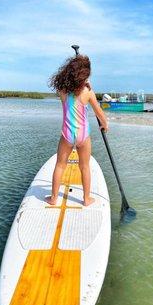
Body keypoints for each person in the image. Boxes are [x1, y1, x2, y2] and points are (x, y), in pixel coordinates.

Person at [45, 54, 108, 206]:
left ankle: (54, 198)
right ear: (84, 76)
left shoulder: (62, 91)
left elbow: (67, 85)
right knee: (84, 166)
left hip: (66, 135)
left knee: (60, 165)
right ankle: (86, 199)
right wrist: (104, 124)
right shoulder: (88, 92)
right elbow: (100, 113)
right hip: (83, 136)